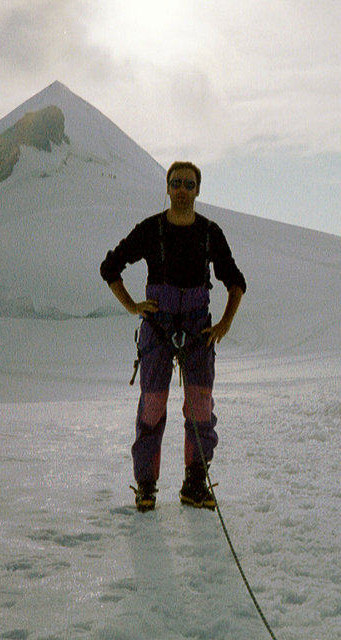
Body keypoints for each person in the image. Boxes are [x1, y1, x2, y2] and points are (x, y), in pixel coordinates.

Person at [100, 161, 246, 512]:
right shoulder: (150, 230)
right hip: (158, 327)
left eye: (189, 184)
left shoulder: (210, 232)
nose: (182, 189)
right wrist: (134, 306)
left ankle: (194, 484)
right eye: (176, 183)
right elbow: (110, 268)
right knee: (152, 406)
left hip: (198, 329)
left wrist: (224, 324)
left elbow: (235, 281)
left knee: (200, 407)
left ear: (197, 190)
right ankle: (146, 486)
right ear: (167, 188)